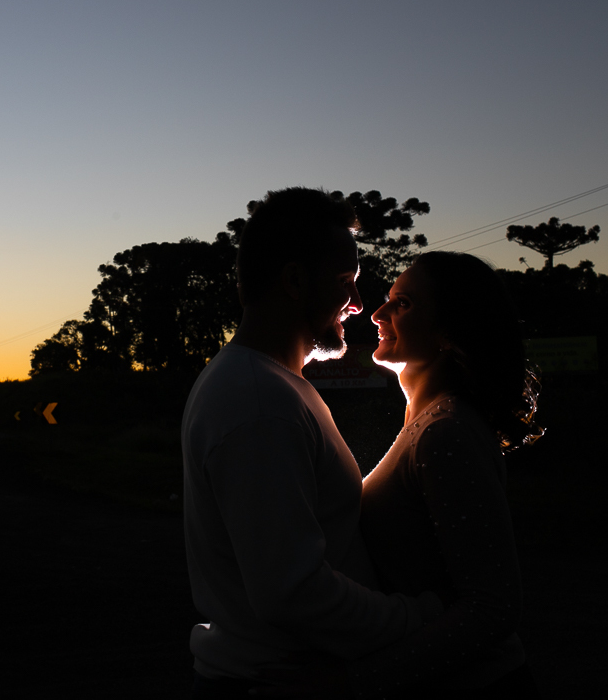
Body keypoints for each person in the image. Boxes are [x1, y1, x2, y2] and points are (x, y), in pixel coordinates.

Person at [182, 188, 442, 698]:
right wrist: (420, 618)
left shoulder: (270, 385)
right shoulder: (259, 402)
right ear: (296, 281)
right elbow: (293, 591)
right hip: (275, 683)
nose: (358, 304)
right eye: (345, 283)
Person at [346, 251, 544, 697]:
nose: (377, 314)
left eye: (403, 304)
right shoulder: (428, 423)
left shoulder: (445, 432)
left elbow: (492, 608)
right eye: (388, 299)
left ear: (449, 332)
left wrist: (352, 685)